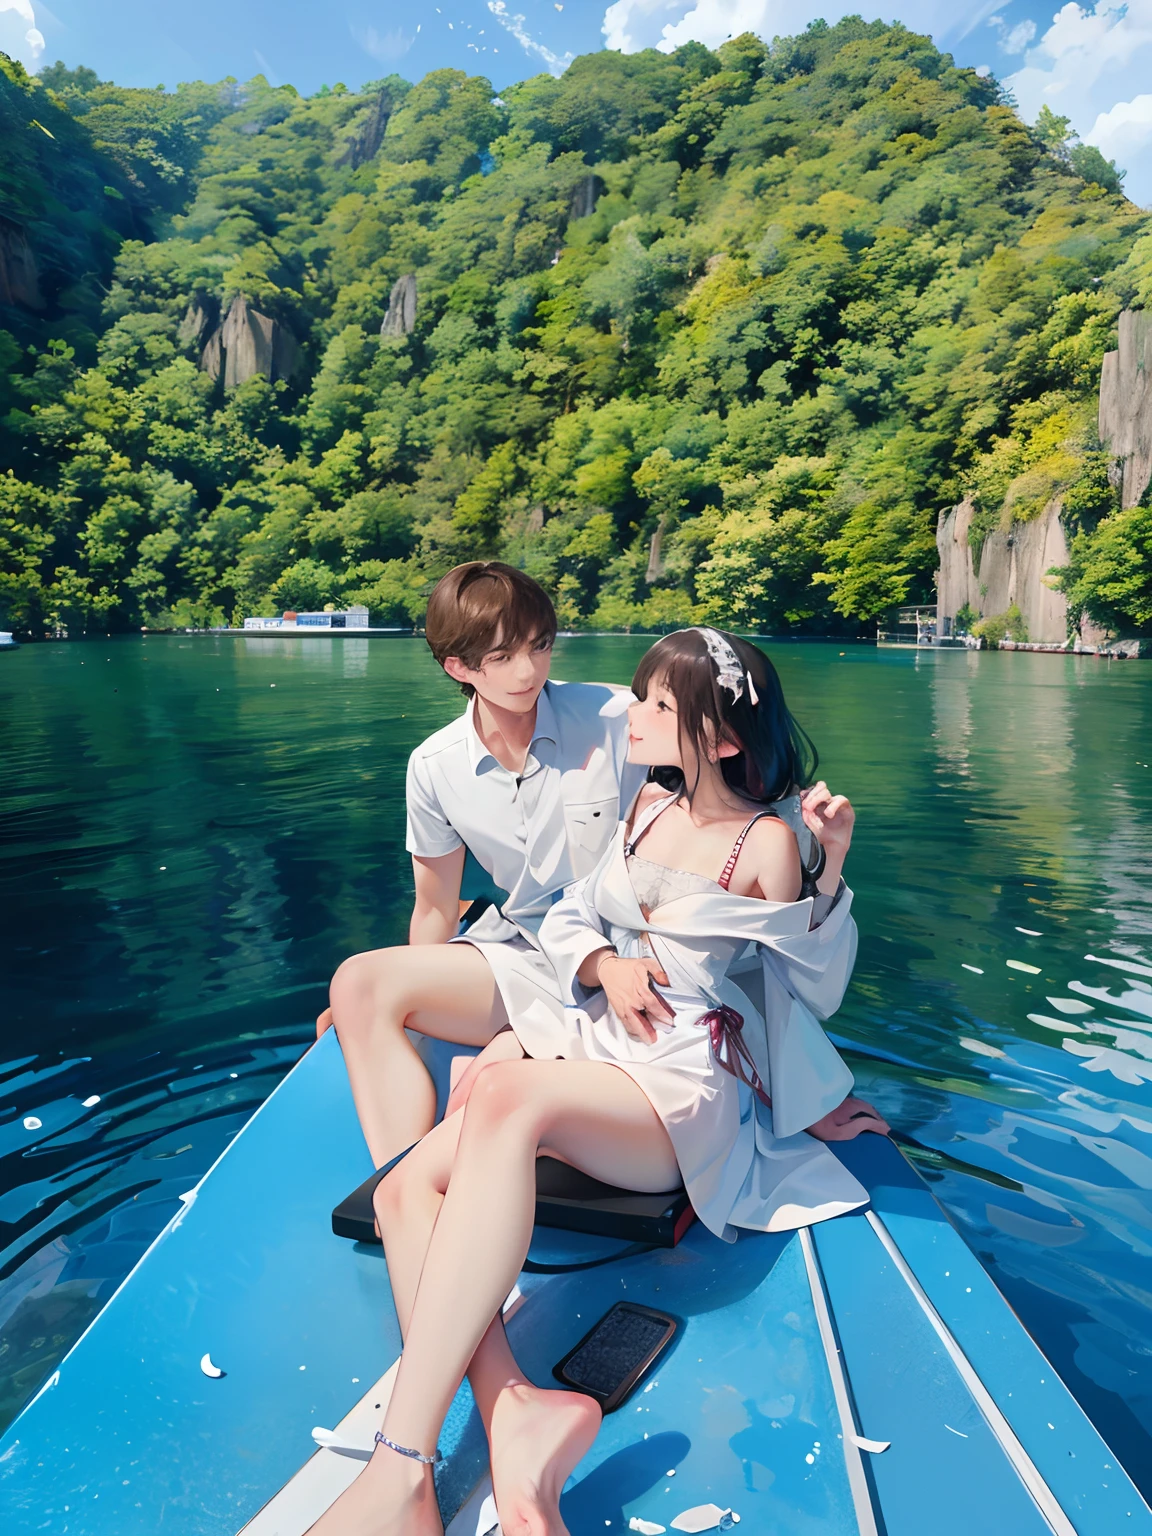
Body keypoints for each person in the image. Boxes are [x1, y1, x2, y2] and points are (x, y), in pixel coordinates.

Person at [307, 627, 889, 1536]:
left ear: (725, 740)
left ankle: (401, 1469)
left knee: (500, 1090)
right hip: (596, 1042)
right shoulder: (649, 807)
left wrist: (832, 868)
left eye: (660, 705)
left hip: (677, 1088)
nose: (635, 711)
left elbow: (806, 987)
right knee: (402, 1188)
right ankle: (514, 1413)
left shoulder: (766, 841)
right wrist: (599, 968)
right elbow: (580, 914)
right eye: (642, 692)